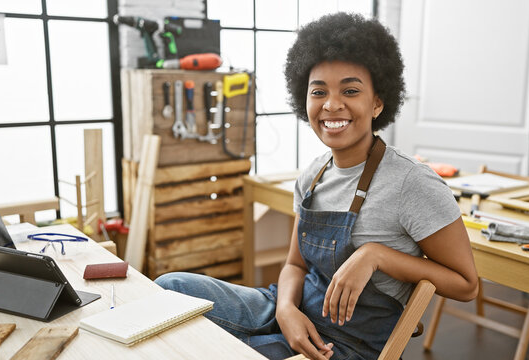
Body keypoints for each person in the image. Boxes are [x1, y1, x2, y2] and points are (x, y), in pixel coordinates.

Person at [156, 12, 478, 360]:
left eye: (350, 91)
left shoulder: (412, 183)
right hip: (293, 308)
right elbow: (295, 266)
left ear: (377, 103)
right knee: (170, 289)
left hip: (346, 344)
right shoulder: (313, 174)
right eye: (318, 91)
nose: (331, 104)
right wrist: (286, 311)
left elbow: (466, 284)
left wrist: (376, 256)